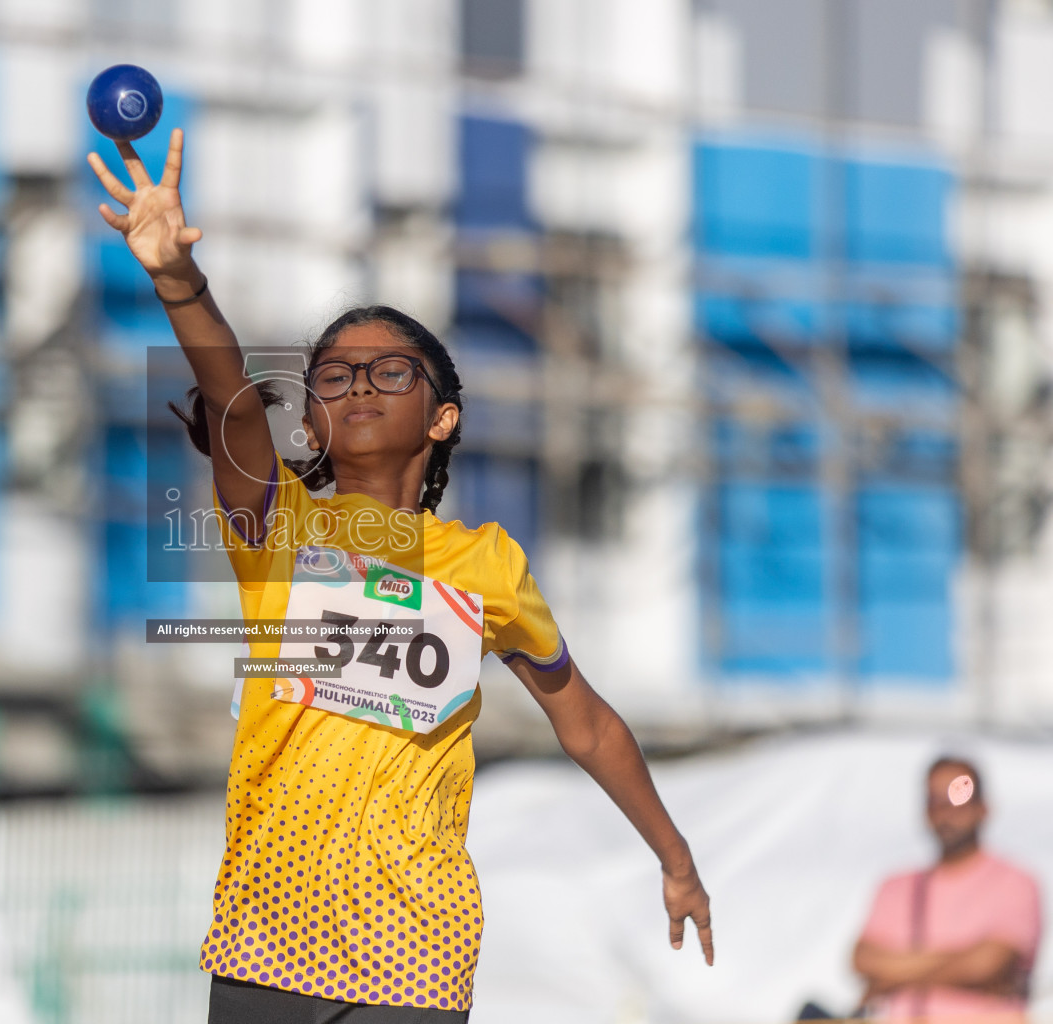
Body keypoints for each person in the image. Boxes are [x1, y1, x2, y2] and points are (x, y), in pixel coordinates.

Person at [88, 128, 714, 1023]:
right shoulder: (275, 526)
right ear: (307, 424)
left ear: (443, 415)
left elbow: (588, 725)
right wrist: (179, 282)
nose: (359, 386)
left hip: (412, 949)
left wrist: (675, 857)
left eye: (390, 371)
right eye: (333, 377)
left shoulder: (486, 564)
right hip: (263, 933)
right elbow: (230, 397)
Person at [853, 756, 1042, 1020]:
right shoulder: (895, 886)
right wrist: (959, 963)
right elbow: (863, 960)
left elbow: (988, 964)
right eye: (935, 801)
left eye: (958, 797)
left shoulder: (1016, 881)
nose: (946, 811)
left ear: (983, 807)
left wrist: (889, 979)